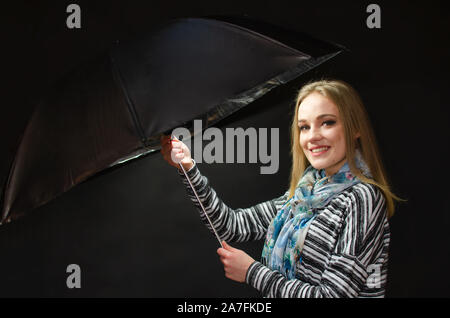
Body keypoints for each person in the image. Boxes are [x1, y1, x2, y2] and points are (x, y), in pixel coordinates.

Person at [160, 79, 398, 298]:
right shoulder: (304, 193)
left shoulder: (363, 198)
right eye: (304, 127)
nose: (312, 137)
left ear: (355, 128)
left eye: (327, 122)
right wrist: (188, 168)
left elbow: (334, 295)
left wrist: (253, 273)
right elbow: (232, 226)